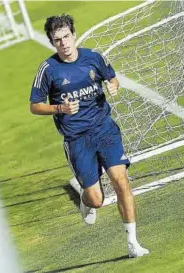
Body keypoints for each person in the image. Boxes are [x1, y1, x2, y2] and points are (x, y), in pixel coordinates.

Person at [29, 14, 149, 258]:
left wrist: (114, 85)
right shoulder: (48, 70)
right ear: (52, 43)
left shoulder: (93, 58)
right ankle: (84, 197)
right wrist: (60, 108)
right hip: (77, 139)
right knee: (96, 200)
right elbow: (34, 105)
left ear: (74, 35)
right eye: (57, 40)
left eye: (66, 37)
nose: (63, 43)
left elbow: (111, 77)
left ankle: (132, 243)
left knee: (121, 181)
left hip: (104, 130)